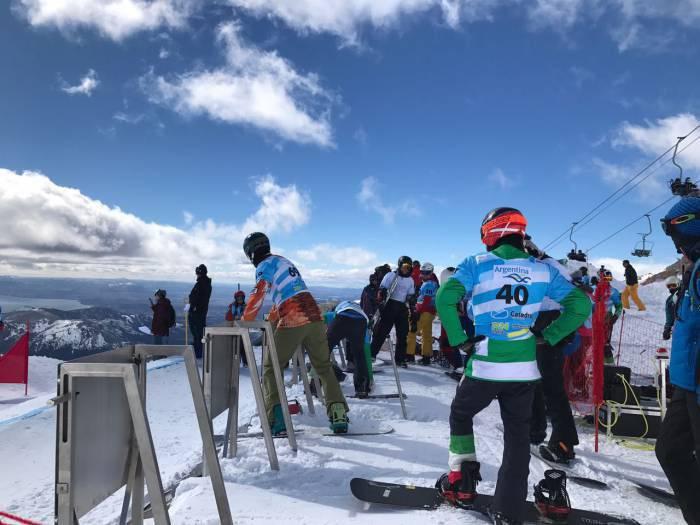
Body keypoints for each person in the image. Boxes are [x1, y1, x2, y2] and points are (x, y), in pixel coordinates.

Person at [435, 207, 590, 525]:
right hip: (524, 371)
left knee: (461, 414)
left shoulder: (476, 264)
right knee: (518, 437)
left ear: (491, 233)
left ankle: (462, 482)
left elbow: (444, 298)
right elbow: (581, 304)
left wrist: (459, 338)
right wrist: (550, 335)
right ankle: (508, 510)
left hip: (485, 368)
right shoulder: (542, 270)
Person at [241, 232, 349, 434]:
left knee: (272, 367)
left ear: (251, 253)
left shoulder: (264, 266)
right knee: (324, 366)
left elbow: (260, 291)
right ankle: (338, 413)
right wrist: (274, 315)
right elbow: (288, 292)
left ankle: (276, 418)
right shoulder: (283, 261)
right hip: (314, 314)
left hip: (294, 315)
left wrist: (245, 320)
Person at [655, 195, 700, 525]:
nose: (676, 247)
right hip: (686, 382)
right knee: (670, 451)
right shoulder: (695, 268)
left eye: (676, 236)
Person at [523, 237, 581, 464]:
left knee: (551, 386)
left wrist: (557, 333)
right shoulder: (537, 266)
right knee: (534, 379)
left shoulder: (551, 267)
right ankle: (536, 429)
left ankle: (564, 442)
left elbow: (574, 302)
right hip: (539, 323)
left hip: (551, 324)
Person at [370, 256, 416, 367]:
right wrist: (382, 296)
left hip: (401, 308)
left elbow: (410, 295)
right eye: (404, 266)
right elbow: (381, 290)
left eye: (408, 267)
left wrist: (412, 307)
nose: (406, 269)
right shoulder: (391, 276)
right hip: (390, 305)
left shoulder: (410, 280)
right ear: (399, 266)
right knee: (382, 332)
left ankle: (400, 359)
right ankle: (371, 355)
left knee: (402, 334)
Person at [326, 300, 370, 398]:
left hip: (342, 318)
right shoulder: (359, 309)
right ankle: (362, 388)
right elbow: (366, 343)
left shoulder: (337, 310)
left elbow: (330, 328)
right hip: (360, 321)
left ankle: (316, 385)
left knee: (324, 351)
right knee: (359, 355)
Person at [407, 262, 439, 365]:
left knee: (412, 332)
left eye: (426, 273)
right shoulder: (432, 283)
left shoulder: (429, 284)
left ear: (430, 273)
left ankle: (409, 355)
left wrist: (417, 312)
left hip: (424, 312)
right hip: (429, 312)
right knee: (426, 334)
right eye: (422, 272)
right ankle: (426, 357)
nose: (423, 275)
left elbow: (426, 300)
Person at [188, 264, 212, 358]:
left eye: (197, 272)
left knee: (197, 332)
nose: (196, 274)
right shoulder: (205, 283)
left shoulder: (201, 284)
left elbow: (197, 298)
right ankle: (198, 350)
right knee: (198, 331)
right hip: (200, 311)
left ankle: (198, 352)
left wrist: (193, 306)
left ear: (200, 273)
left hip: (197, 312)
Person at [601, 270, 622, 364]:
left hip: (607, 317)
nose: (607, 280)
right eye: (605, 278)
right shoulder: (594, 288)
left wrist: (615, 316)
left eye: (609, 278)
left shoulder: (613, 291)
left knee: (605, 343)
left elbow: (619, 306)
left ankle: (610, 365)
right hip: (593, 317)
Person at [662, 276, 681, 340]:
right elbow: (669, 314)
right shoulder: (670, 299)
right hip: (680, 324)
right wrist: (667, 328)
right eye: (669, 286)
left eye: (673, 285)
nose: (671, 288)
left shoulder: (690, 292)